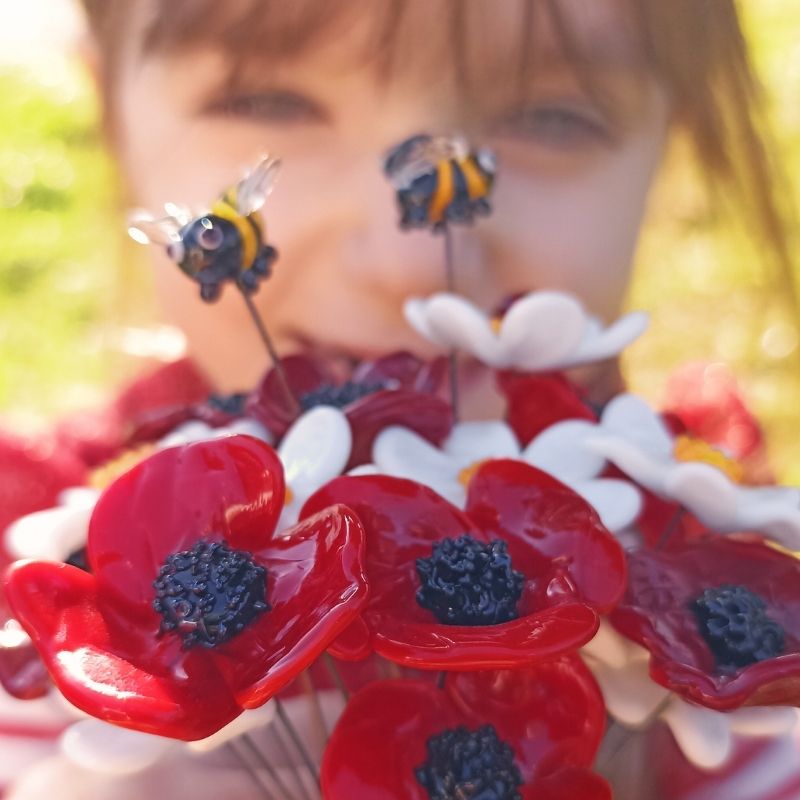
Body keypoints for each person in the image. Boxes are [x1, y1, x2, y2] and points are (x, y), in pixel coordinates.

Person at [2, 1, 798, 798]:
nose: (410, 261)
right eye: (268, 100)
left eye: (551, 116)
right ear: (109, 112)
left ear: (673, 141)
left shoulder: (740, 627)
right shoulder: (36, 587)